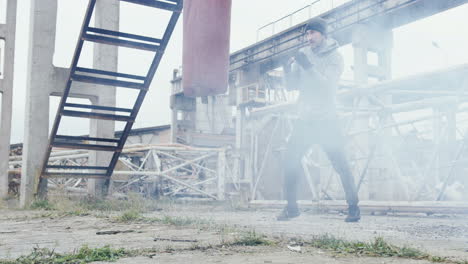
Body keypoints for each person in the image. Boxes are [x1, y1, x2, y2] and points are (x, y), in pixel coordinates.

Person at [278, 18, 360, 222]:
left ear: (324, 35)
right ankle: (291, 208)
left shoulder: (336, 57)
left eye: (313, 33)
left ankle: (353, 207)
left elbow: (326, 86)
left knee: (340, 163)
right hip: (305, 119)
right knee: (289, 161)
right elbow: (292, 86)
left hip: (327, 119)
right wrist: (287, 70)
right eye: (307, 34)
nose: (309, 37)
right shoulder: (303, 55)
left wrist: (307, 67)